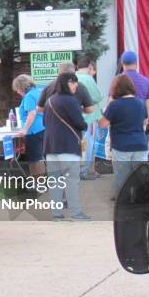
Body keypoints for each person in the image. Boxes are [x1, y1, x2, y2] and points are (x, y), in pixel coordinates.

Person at [43, 72, 91, 221]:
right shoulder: (71, 101)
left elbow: (45, 122)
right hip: (68, 146)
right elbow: (80, 123)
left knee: (55, 181)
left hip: (50, 146)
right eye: (73, 82)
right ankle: (76, 213)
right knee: (71, 181)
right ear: (66, 83)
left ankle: (56, 214)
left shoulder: (50, 100)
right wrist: (85, 124)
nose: (76, 85)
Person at [99, 74, 148, 199]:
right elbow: (145, 121)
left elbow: (103, 124)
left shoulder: (115, 105)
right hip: (140, 144)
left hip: (121, 145)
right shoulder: (141, 103)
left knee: (122, 176)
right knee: (140, 176)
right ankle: (139, 200)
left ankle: (122, 201)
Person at [76, 56, 104, 180]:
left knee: (78, 145)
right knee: (87, 145)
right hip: (89, 117)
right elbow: (98, 97)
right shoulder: (88, 79)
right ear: (89, 67)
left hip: (75, 117)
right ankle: (84, 171)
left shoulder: (72, 77)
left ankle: (78, 170)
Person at [11, 74, 45, 178]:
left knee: (34, 159)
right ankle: (39, 182)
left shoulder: (29, 96)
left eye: (17, 88)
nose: (17, 91)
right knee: (39, 158)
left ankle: (38, 183)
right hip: (42, 128)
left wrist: (25, 129)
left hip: (33, 131)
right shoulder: (37, 92)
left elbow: (32, 113)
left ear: (22, 87)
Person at [120, 50, 149, 120]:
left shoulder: (117, 81)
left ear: (122, 63)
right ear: (136, 63)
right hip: (139, 121)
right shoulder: (146, 81)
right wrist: (146, 119)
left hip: (122, 122)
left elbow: (111, 102)